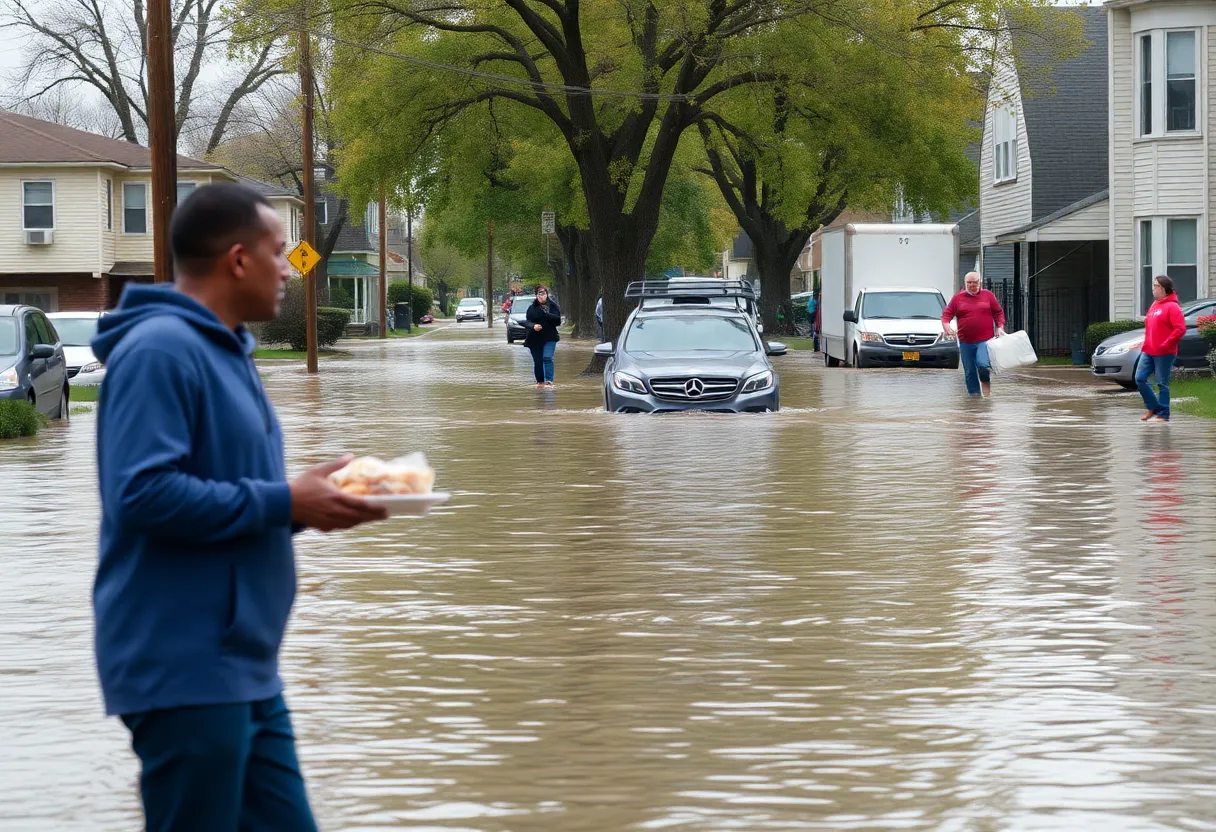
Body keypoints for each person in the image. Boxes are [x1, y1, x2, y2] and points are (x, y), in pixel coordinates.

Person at [90, 183, 386, 832]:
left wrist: (312, 502)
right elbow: (141, 495)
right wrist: (284, 499)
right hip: (185, 665)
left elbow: (229, 495)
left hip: (245, 666)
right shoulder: (160, 351)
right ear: (238, 260)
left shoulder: (227, 351)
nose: (289, 267)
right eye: (280, 253)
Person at [942, 271, 1006, 397]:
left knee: (982, 365)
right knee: (970, 371)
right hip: (965, 341)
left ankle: (987, 392)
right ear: (965, 283)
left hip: (985, 340)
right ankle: (975, 399)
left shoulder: (987, 295)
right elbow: (946, 315)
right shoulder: (958, 298)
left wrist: (1000, 327)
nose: (972, 285)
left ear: (979, 282)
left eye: (975, 282)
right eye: (969, 282)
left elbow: (998, 312)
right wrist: (947, 326)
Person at [1136, 274, 1187, 423]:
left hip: (1165, 352)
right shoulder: (1154, 305)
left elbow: (1180, 328)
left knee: (1161, 383)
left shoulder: (1173, 307)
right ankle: (1153, 407)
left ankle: (1164, 414)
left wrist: (1166, 343)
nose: (1153, 290)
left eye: (1155, 286)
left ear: (1163, 288)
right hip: (1149, 350)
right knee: (1139, 379)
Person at [525, 285, 562, 388]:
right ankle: (540, 382)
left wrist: (545, 314)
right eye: (539, 294)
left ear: (547, 294)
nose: (542, 296)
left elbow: (557, 321)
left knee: (547, 357)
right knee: (538, 361)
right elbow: (527, 322)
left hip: (550, 337)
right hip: (535, 339)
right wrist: (534, 326)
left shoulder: (553, 306)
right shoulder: (532, 308)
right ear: (536, 295)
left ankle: (549, 381)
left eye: (544, 293)